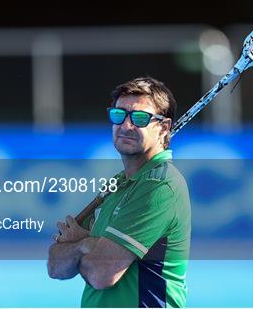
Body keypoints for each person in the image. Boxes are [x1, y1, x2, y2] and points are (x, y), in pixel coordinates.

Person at [47, 76, 191, 308]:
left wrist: (83, 245)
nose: (126, 125)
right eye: (119, 115)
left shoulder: (160, 186)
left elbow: (101, 274)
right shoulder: (117, 184)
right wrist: (87, 246)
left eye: (140, 118)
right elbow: (55, 266)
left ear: (164, 128)